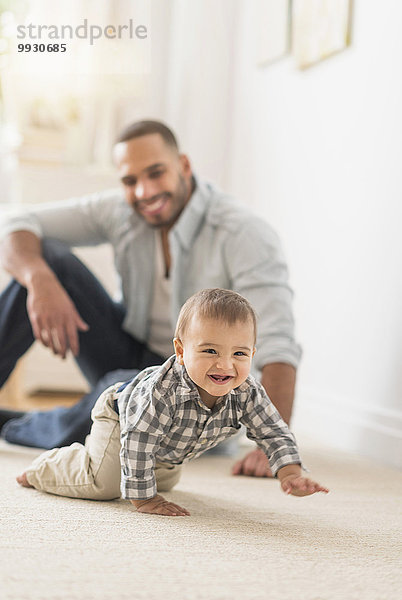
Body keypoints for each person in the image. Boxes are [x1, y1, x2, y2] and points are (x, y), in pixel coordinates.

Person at [0, 120, 301, 478]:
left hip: (201, 385)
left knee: (122, 392)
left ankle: (18, 425)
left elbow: (279, 345)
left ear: (184, 166)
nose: (144, 191)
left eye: (156, 173)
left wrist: (274, 446)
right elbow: (18, 220)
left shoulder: (243, 233)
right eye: (130, 181)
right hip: (132, 352)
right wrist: (39, 279)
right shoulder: (121, 211)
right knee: (47, 257)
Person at [17, 289, 328, 516]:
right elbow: (138, 439)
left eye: (239, 354)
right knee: (106, 485)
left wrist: (290, 472)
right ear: (181, 351)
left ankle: (148, 476)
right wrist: (144, 500)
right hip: (122, 419)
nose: (225, 365)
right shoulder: (162, 391)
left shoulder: (247, 391)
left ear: (252, 355)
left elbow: (273, 430)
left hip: (170, 447)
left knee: (162, 480)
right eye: (209, 351)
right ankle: (50, 466)